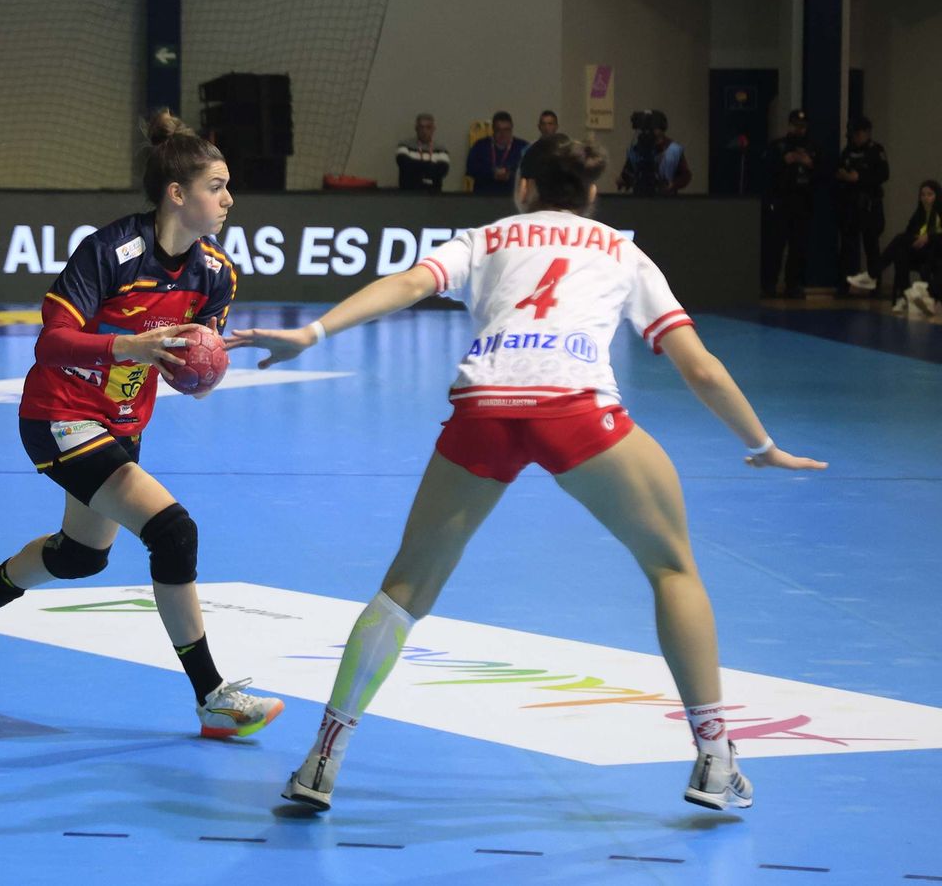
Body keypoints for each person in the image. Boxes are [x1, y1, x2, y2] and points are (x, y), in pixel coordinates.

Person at [229, 134, 825, 814]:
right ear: (594, 195)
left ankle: (322, 759)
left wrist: (313, 333)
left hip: (483, 409)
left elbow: (405, 285)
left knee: (404, 588)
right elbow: (700, 367)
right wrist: (761, 443)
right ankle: (716, 761)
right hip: (576, 412)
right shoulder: (624, 252)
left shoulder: (487, 238)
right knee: (672, 567)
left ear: (522, 186)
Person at [0, 110, 284, 739]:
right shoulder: (109, 253)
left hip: (121, 423)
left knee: (80, 558)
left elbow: (195, 352)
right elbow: (52, 342)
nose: (229, 198)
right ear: (177, 194)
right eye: (217, 186)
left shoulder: (216, 274)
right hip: (59, 415)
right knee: (173, 533)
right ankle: (211, 697)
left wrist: (199, 371)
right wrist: (129, 347)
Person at [761, 109, 819, 298]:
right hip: (781, 201)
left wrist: (810, 163)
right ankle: (769, 284)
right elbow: (766, 171)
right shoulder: (778, 146)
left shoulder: (813, 147)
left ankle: (793, 284)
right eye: (796, 126)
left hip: (802, 202)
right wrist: (784, 161)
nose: (800, 130)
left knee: (798, 247)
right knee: (775, 246)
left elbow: (822, 174)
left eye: (803, 127)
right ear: (790, 125)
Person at [862, 179, 940, 314]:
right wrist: (916, 239)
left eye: (930, 194)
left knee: (899, 241)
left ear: (937, 196)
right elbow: (910, 232)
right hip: (920, 252)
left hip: (936, 253)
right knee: (900, 253)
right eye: (923, 195)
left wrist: (929, 237)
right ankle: (903, 296)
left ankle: (872, 274)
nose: (926, 198)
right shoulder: (919, 213)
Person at [836, 117, 890, 295]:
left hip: (869, 204)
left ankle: (875, 285)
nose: (855, 138)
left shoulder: (876, 151)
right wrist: (844, 177)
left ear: (867, 133)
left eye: (858, 134)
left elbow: (883, 174)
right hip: (850, 204)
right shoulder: (848, 151)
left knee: (871, 246)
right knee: (848, 246)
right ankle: (845, 285)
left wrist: (860, 178)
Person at [617, 109, 693, 196]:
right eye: (644, 129)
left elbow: (686, 176)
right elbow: (628, 174)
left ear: (661, 129)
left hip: (666, 201)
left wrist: (672, 184)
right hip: (639, 200)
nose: (647, 132)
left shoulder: (673, 150)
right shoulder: (637, 149)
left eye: (651, 128)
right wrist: (623, 181)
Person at [465, 111, 528, 196]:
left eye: (506, 130)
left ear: (511, 129)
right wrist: (491, 174)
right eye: (499, 130)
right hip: (483, 197)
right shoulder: (480, 146)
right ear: (493, 130)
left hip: (512, 198)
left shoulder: (522, 147)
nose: (503, 134)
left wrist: (510, 175)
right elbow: (470, 169)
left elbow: (530, 171)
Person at [395, 112, 451, 193]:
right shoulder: (404, 145)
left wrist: (416, 168)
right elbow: (405, 165)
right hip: (408, 194)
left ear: (433, 129)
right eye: (421, 127)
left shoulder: (441, 149)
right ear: (416, 128)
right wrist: (430, 166)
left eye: (428, 127)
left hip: (433, 195)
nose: (424, 131)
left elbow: (442, 171)